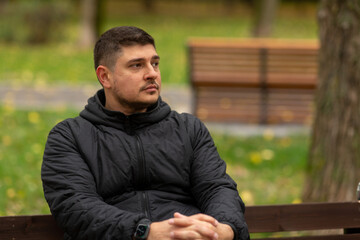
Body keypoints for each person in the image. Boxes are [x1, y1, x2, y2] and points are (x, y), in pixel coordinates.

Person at [41, 26, 249, 240]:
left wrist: (224, 229)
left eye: (155, 63)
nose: (152, 73)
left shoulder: (188, 129)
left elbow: (217, 188)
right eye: (137, 65)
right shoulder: (70, 137)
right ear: (105, 77)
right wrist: (145, 232)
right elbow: (77, 208)